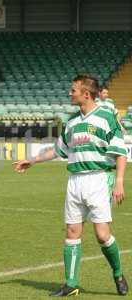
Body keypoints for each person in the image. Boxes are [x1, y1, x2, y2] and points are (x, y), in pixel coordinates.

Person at [13, 74, 129, 297]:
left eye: (73, 90)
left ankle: (118, 273)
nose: (69, 93)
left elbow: (120, 152)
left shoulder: (106, 117)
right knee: (72, 231)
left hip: (99, 178)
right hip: (75, 181)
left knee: (102, 235)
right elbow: (59, 150)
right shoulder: (72, 122)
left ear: (86, 94)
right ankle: (71, 283)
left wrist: (120, 182)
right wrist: (33, 160)